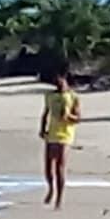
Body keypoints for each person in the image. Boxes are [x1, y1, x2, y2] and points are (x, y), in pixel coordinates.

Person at [39, 70, 81, 209]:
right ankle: (51, 188)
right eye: (56, 82)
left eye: (60, 81)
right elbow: (45, 114)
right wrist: (42, 129)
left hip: (65, 134)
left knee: (60, 167)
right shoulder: (50, 96)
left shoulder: (73, 97)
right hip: (51, 133)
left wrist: (68, 116)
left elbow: (78, 118)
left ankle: (59, 199)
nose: (59, 84)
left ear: (66, 80)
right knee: (48, 167)